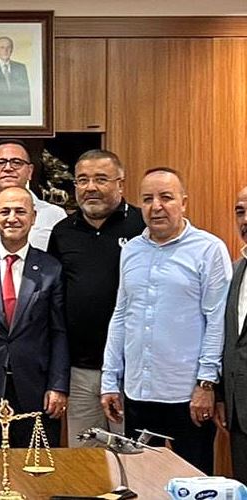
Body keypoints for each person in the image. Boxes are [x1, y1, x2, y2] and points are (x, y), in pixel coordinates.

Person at [101, 168, 231, 475]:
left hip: (187, 395)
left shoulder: (209, 249)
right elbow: (121, 315)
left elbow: (216, 320)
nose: (156, 206)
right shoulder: (131, 250)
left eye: (166, 197)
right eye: (147, 199)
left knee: (194, 482)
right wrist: (110, 380)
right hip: (138, 392)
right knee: (140, 479)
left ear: (183, 202)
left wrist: (206, 384)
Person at [47, 150, 144, 446]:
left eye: (101, 179)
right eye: (82, 180)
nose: (90, 187)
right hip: (80, 371)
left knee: (133, 458)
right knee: (84, 457)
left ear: (120, 184)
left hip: (132, 371)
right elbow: (55, 301)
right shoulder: (63, 232)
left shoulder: (142, 226)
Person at [0, 187, 68, 448]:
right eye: (5, 211)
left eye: (20, 211)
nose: (12, 218)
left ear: (33, 217)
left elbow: (59, 332)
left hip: (37, 390)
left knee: (37, 467)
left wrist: (58, 385)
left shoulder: (51, 268)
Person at [0, 140, 66, 253]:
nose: (8, 168)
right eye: (0, 162)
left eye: (17, 162)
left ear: (30, 171)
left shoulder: (55, 215)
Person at [217, 186, 247, 483]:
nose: (245, 219)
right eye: (240, 212)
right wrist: (220, 395)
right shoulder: (235, 270)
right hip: (239, 413)